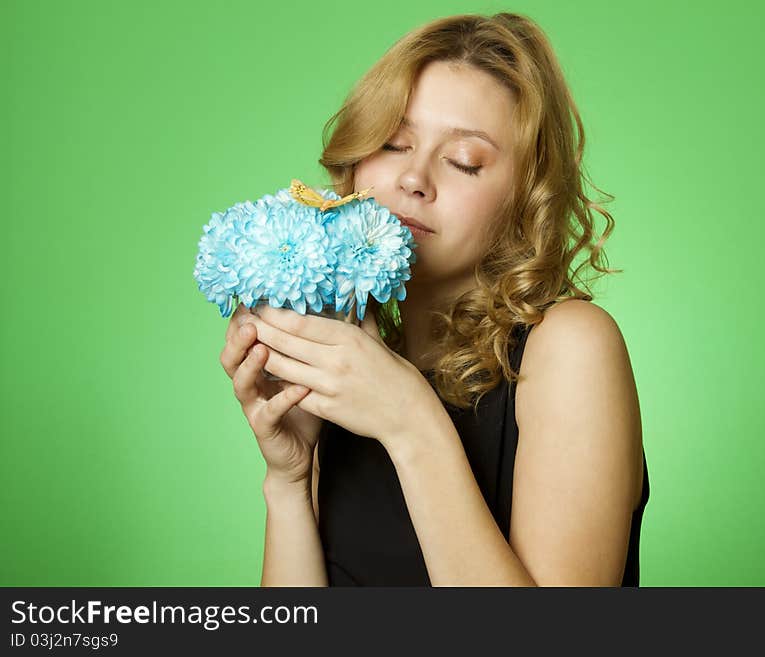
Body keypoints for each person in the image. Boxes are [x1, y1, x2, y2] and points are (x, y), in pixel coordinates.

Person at [218, 12, 649, 586]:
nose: (414, 178)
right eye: (394, 143)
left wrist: (412, 425)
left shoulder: (571, 346)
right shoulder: (356, 364)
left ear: (525, 199)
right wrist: (290, 482)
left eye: (464, 161)